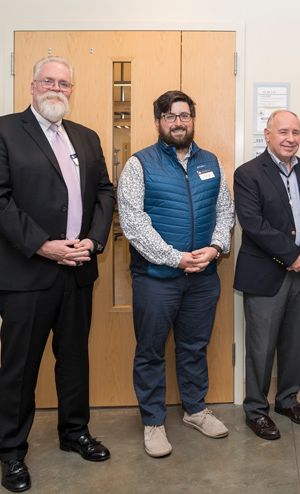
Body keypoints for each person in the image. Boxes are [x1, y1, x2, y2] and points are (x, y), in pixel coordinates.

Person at [0, 56, 115, 492]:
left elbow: (105, 193)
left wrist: (91, 241)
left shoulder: (87, 138)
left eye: (65, 83)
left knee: (74, 360)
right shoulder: (0, 131)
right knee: (20, 367)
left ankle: (74, 433)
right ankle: (12, 453)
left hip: (77, 269)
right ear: (32, 86)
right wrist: (43, 244)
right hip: (26, 271)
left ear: (72, 90)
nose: (57, 88)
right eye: (49, 81)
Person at [117, 90, 235, 458]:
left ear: (192, 120)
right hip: (156, 278)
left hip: (203, 278)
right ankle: (153, 422)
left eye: (184, 115)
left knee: (194, 346)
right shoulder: (139, 164)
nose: (178, 122)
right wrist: (175, 258)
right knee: (151, 351)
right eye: (170, 116)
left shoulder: (211, 162)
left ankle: (195, 410)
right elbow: (134, 223)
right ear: (158, 122)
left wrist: (216, 248)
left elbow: (225, 211)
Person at [233, 110, 300, 440]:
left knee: (294, 342)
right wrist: (291, 254)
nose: (290, 138)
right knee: (260, 347)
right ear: (267, 134)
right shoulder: (248, 174)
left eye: (296, 132)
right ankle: (256, 410)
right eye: (283, 131)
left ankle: (287, 400)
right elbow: (253, 224)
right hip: (265, 274)